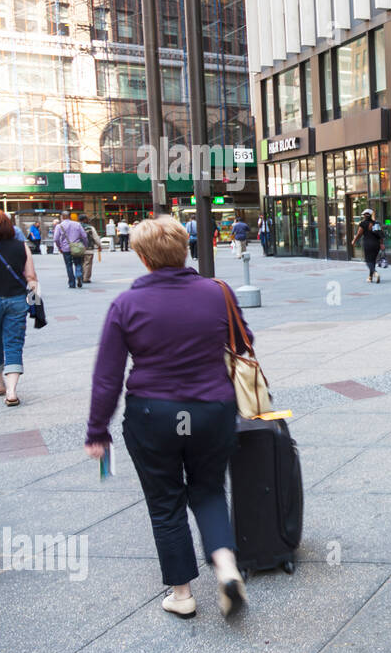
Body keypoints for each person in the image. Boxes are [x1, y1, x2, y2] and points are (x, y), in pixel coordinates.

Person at [83, 215, 250, 620]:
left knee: (165, 502)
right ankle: (226, 567)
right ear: (185, 249)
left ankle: (182, 594)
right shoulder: (217, 292)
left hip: (152, 413)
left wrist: (97, 430)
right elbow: (244, 343)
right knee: (209, 490)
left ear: (142, 257)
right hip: (212, 409)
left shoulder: (126, 304)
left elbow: (107, 375)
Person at [0, 209, 39, 407]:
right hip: (16, 300)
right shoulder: (20, 246)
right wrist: (35, 303)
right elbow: (31, 277)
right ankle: (12, 391)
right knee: (14, 343)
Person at [53, 211, 91, 288]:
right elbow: (84, 236)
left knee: (69, 266)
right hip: (77, 247)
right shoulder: (77, 224)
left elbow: (56, 238)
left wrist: (59, 247)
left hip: (65, 248)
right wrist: (85, 245)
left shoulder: (59, 226)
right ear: (70, 216)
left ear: (62, 217)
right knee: (78, 263)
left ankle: (72, 283)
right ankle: (79, 275)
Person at [353, 208, 384, 283]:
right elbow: (381, 235)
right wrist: (381, 244)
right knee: (372, 260)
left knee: (368, 261)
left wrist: (354, 240)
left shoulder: (363, 223)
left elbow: (359, 234)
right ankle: (370, 277)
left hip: (368, 244)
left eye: (364, 215)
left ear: (365, 216)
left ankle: (375, 273)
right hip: (376, 244)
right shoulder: (376, 223)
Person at [78, 213, 102, 285]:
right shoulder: (90, 228)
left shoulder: (76, 227)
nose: (88, 220)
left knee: (80, 263)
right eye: (87, 219)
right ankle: (86, 278)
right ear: (85, 219)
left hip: (78, 248)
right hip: (89, 248)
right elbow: (95, 237)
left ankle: (79, 276)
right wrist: (99, 245)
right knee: (87, 263)